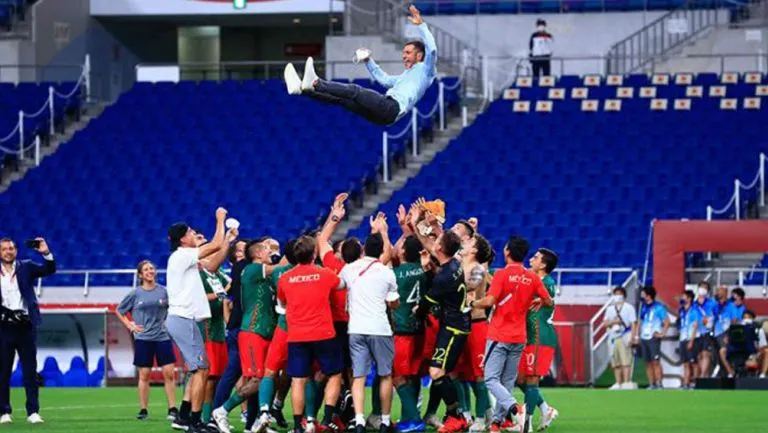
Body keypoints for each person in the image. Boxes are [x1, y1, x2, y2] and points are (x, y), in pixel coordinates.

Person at [283, 5, 436, 126]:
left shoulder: (426, 71)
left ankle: (317, 83)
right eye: (403, 52)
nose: (404, 56)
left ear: (419, 55)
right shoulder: (405, 77)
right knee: (343, 100)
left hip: (390, 108)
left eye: (408, 52)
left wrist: (421, 25)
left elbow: (432, 49)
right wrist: (369, 60)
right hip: (385, 117)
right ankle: (302, 90)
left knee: (354, 90)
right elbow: (384, 80)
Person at [467, 236, 552, 433]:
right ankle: (496, 424)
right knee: (506, 382)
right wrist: (540, 302)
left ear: (507, 252)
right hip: (519, 338)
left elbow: (489, 301)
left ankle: (516, 408)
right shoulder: (531, 277)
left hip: (499, 335)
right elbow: (549, 300)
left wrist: (472, 303)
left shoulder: (502, 275)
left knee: (490, 379)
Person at [165, 208, 230, 433]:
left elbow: (211, 265)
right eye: (191, 232)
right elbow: (213, 246)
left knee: (200, 369)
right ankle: (194, 422)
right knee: (201, 369)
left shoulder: (183, 258)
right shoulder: (183, 255)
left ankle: (191, 420)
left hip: (184, 319)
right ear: (183, 239)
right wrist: (220, 220)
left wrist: (227, 240)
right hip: (183, 318)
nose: (194, 235)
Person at [276, 236, 345, 433]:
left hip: (297, 334)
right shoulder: (324, 274)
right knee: (334, 374)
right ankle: (326, 418)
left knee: (298, 379)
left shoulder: (285, 278)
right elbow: (342, 284)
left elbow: (281, 304)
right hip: (323, 332)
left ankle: (299, 426)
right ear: (314, 254)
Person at [212, 238, 279, 433]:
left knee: (267, 378)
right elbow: (280, 266)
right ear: (258, 254)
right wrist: (302, 254)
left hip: (265, 333)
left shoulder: (265, 276)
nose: (271, 252)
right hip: (252, 332)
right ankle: (222, 410)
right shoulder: (250, 270)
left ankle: (255, 424)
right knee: (257, 380)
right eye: (267, 249)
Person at [341, 227, 400, 433]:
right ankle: (384, 421)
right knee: (385, 375)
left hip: (356, 329)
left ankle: (358, 421)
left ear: (364, 249)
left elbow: (340, 286)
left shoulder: (349, 269)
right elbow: (393, 303)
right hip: (380, 329)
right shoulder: (387, 273)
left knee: (358, 376)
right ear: (382, 249)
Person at [412, 231, 470, 433]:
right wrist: (430, 269)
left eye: (437, 241)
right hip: (456, 325)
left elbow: (426, 304)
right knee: (443, 373)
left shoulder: (444, 275)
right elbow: (442, 284)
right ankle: (456, 416)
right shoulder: (454, 265)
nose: (433, 243)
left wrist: (416, 311)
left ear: (440, 249)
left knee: (436, 372)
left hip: (453, 329)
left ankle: (457, 417)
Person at [0, 237, 55, 425]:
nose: (8, 251)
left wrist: (46, 253)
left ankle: (33, 411)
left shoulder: (26, 267)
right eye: (5, 249)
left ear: (16, 251)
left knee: (30, 371)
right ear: (0, 252)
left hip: (25, 326)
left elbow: (49, 270)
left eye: (11, 248)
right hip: (3, 327)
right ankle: (4, 412)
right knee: (3, 371)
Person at [115, 260, 178, 421]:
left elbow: (176, 308)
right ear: (140, 275)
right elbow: (119, 310)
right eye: (146, 269)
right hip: (143, 338)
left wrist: (170, 322)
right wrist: (130, 325)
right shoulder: (135, 294)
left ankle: (172, 409)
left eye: (152, 268)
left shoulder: (164, 292)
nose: (150, 271)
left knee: (169, 373)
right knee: (145, 375)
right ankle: (143, 409)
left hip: (162, 337)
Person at [519, 248, 559, 431]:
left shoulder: (548, 283)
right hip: (528, 336)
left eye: (535, 258)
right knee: (519, 378)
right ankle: (545, 408)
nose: (531, 259)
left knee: (532, 379)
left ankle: (526, 422)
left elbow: (546, 298)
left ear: (543, 265)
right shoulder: (532, 279)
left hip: (540, 336)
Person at [391, 235, 429, 433]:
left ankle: (414, 420)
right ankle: (409, 419)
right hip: (420, 330)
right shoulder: (425, 270)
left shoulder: (396, 273)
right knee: (413, 376)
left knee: (397, 376)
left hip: (402, 330)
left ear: (404, 251)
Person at [457, 234, 493, 433]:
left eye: (469, 241)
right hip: (460, 325)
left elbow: (470, 286)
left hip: (477, 326)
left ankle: (480, 419)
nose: (464, 241)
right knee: (459, 373)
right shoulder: (459, 266)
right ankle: (472, 414)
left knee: (479, 376)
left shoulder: (478, 269)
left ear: (474, 250)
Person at [212, 239, 249, 421]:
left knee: (237, 373)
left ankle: (219, 412)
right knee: (238, 373)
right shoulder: (242, 268)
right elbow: (227, 302)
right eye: (238, 250)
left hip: (241, 327)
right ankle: (223, 411)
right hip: (242, 328)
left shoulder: (238, 271)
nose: (240, 253)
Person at [632, 285, 670, 390]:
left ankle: (659, 383)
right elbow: (640, 322)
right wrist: (636, 335)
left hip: (653, 338)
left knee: (656, 362)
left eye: (644, 294)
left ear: (649, 295)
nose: (642, 296)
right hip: (644, 338)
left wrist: (662, 333)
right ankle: (651, 383)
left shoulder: (659, 307)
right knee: (647, 362)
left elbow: (667, 321)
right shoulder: (643, 307)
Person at [603, 286, 637, 390]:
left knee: (625, 360)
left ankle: (626, 382)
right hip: (613, 337)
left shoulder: (629, 308)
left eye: (619, 294)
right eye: (616, 294)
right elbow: (605, 323)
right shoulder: (610, 309)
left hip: (624, 336)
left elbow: (633, 323)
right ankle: (618, 382)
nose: (617, 296)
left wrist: (633, 337)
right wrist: (613, 322)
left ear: (624, 295)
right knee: (615, 361)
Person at [693, 282, 717, 378]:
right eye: (701, 287)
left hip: (707, 332)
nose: (702, 289)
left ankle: (703, 376)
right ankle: (703, 376)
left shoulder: (712, 303)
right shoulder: (693, 304)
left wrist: (709, 321)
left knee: (705, 354)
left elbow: (716, 316)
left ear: (708, 291)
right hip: (696, 333)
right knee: (698, 356)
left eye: (705, 288)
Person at [677, 290, 701, 390]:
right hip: (683, 338)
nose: (682, 299)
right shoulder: (682, 311)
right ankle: (686, 383)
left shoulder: (694, 311)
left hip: (692, 338)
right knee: (686, 363)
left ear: (689, 299)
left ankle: (695, 383)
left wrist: (691, 341)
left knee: (694, 363)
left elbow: (695, 326)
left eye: (684, 297)